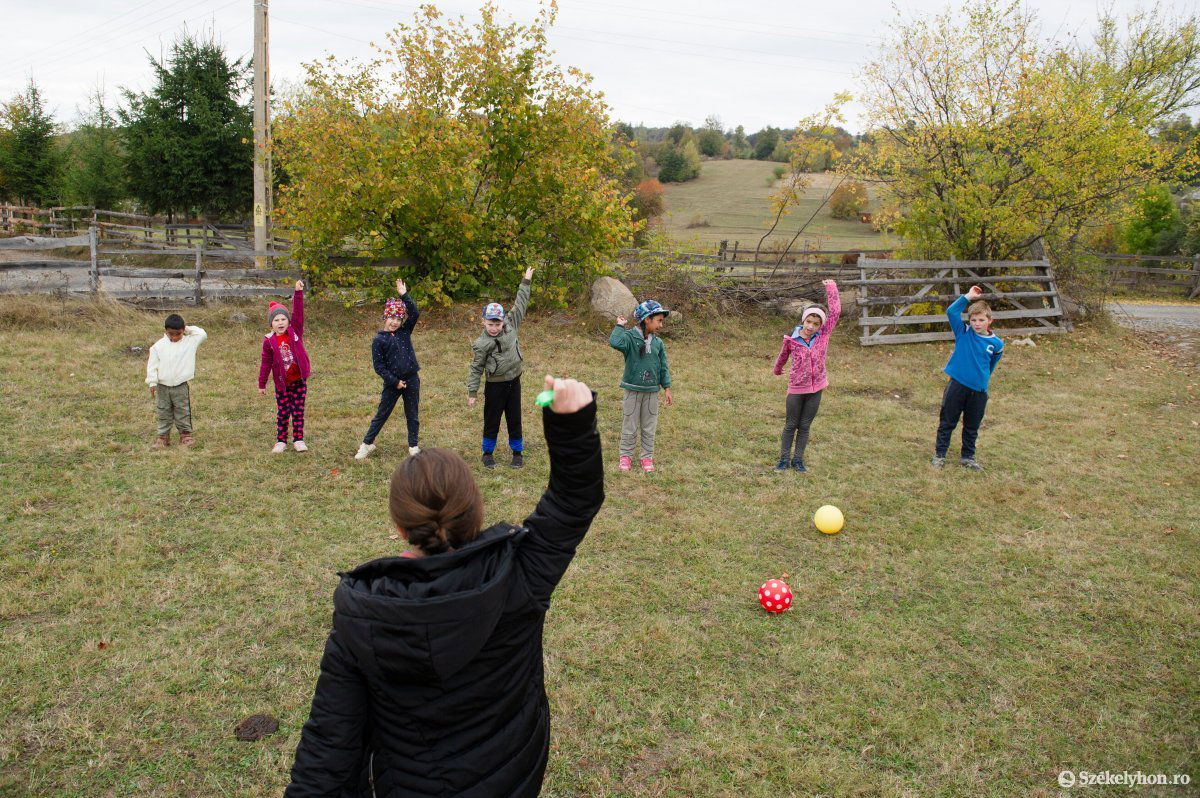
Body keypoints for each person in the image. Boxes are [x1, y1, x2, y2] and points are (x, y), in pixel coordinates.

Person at [284, 375, 603, 798]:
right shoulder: (518, 576)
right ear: (475, 510)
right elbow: (573, 500)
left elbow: (328, 752)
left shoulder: (362, 618)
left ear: (400, 528)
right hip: (514, 781)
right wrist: (573, 424)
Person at [466, 267, 534, 469]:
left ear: (503, 321)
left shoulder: (511, 324)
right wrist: (472, 391)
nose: (494, 328)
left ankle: (517, 452)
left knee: (515, 418)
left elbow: (520, 302)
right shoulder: (481, 343)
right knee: (492, 420)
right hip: (494, 387)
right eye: (490, 324)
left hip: (514, 383)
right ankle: (487, 453)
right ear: (483, 323)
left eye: (497, 323)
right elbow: (476, 368)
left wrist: (526, 281)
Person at [771, 279, 841, 472]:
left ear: (821, 326)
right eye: (808, 321)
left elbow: (835, 312)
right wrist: (777, 369)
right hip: (796, 388)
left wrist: (831, 288)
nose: (811, 326)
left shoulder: (823, 337)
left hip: (816, 388)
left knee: (804, 425)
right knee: (791, 424)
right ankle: (784, 459)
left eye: (816, 324)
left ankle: (798, 460)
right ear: (803, 320)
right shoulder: (791, 340)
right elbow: (783, 356)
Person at [932, 284, 1004, 470]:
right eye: (973, 320)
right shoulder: (963, 332)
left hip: (979, 391)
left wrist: (981, 380)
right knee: (947, 421)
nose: (977, 324)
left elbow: (990, 366)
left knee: (972, 426)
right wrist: (968, 296)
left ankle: (968, 458)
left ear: (990, 320)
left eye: (981, 320)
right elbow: (951, 311)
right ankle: (940, 455)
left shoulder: (996, 344)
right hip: (957, 386)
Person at [356, 279, 421, 460]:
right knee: (382, 414)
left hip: (412, 379)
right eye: (392, 318)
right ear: (386, 317)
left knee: (412, 414)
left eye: (399, 319)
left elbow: (414, 313)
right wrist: (395, 381)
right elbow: (379, 367)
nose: (395, 322)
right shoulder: (379, 340)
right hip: (393, 383)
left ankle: (413, 446)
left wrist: (404, 295)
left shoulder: (404, 332)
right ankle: (366, 444)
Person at [609, 299, 673, 473]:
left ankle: (646, 458)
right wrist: (620, 326)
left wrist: (666, 387)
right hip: (632, 390)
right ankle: (625, 456)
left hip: (652, 392)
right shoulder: (629, 338)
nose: (661, 324)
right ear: (647, 319)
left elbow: (663, 366)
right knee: (630, 424)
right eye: (658, 320)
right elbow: (615, 342)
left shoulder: (658, 343)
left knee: (649, 426)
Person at [258, 280, 311, 453]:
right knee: (283, 412)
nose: (280, 322)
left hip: (299, 382)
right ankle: (281, 441)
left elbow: (299, 313)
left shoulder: (295, 332)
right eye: (276, 320)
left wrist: (297, 293)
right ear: (271, 324)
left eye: (283, 319)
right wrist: (262, 383)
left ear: (288, 322)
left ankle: (298, 439)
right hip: (282, 384)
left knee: (298, 411)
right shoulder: (269, 341)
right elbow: (266, 363)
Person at [145, 313, 207, 449]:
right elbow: (152, 365)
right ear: (165, 331)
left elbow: (202, 334)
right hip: (162, 386)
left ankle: (185, 435)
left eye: (177, 334)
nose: (174, 337)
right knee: (163, 410)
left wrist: (187, 329)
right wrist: (152, 382)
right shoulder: (158, 346)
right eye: (170, 334)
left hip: (180, 385)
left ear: (183, 331)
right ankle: (163, 437)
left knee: (182, 410)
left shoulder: (190, 341)